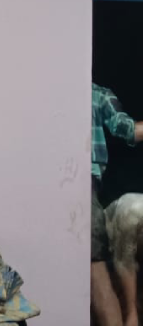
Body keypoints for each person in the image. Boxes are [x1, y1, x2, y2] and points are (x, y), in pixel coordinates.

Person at [93, 83, 143, 326]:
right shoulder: (97, 94)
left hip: (60, 187)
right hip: (83, 187)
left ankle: (131, 314)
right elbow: (128, 130)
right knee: (97, 274)